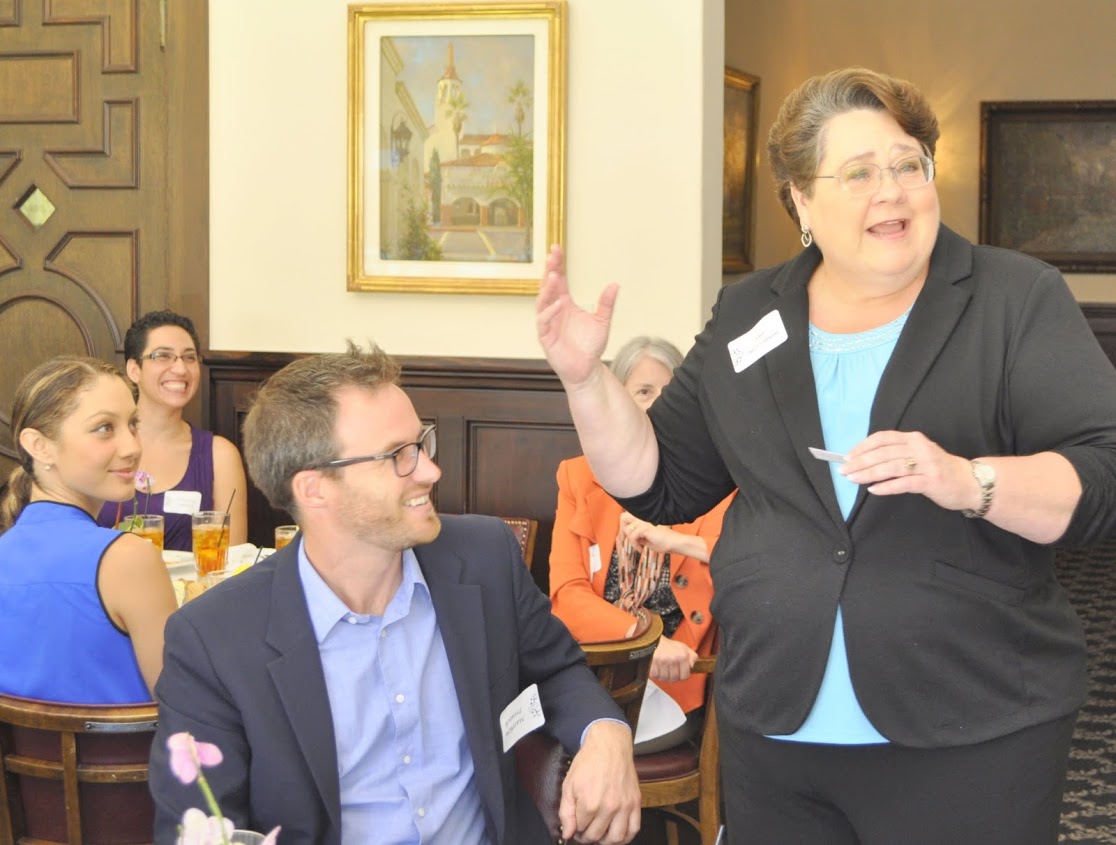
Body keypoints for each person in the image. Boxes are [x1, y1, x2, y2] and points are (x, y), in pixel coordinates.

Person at [536, 67, 1116, 845]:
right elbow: (659, 478)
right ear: (801, 201)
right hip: (777, 728)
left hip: (972, 727)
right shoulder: (751, 311)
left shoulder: (1013, 299)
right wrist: (587, 380)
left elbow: (1104, 468)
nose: (892, 191)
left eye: (908, 164)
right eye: (859, 173)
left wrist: (969, 479)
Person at [148, 342, 641, 845]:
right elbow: (199, 826)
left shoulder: (484, 558)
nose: (429, 470)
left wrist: (606, 733)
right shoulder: (214, 640)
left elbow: (557, 668)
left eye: (421, 443)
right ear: (314, 489)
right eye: (397, 456)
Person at [549, 336, 734, 743]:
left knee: (590, 748)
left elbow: (737, 563)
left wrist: (674, 541)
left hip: (672, 687)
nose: (657, 407)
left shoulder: (715, 484)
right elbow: (567, 596)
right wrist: (643, 638)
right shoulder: (577, 478)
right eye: (644, 392)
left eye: (670, 394)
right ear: (616, 402)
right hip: (589, 674)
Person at [0, 356, 177, 703]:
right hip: (137, 741)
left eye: (133, 424)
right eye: (104, 428)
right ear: (39, 446)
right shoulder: (128, 557)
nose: (133, 447)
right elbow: (185, 706)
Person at [96, 310, 248, 550]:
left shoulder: (220, 455)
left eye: (189, 357)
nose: (180, 369)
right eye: (163, 356)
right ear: (134, 369)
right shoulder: (100, 444)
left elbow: (235, 561)